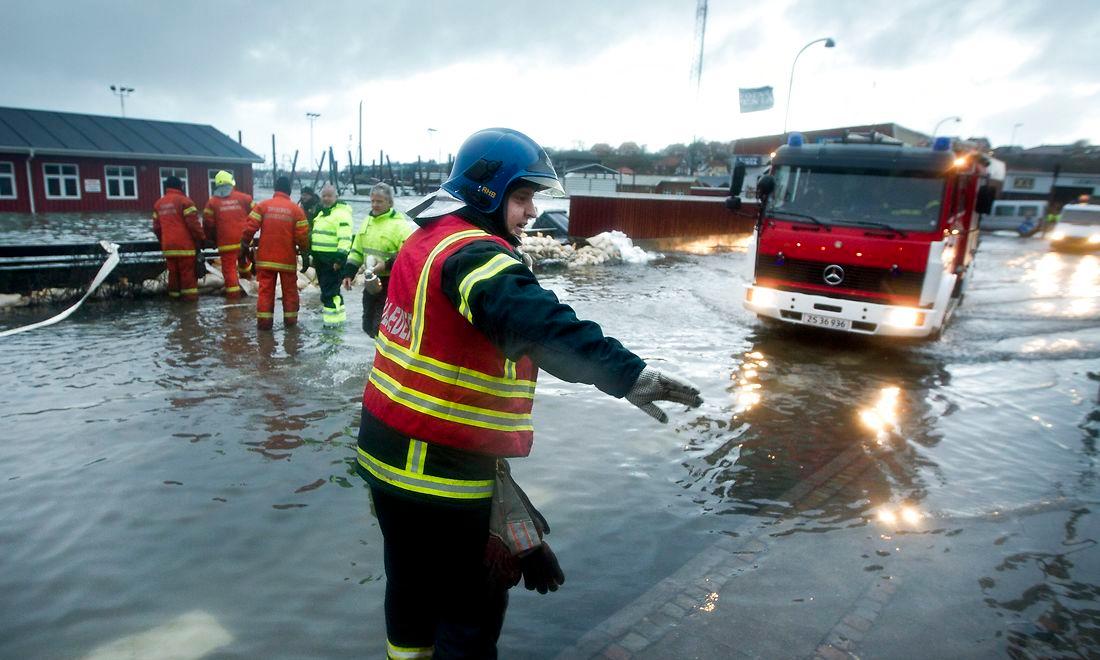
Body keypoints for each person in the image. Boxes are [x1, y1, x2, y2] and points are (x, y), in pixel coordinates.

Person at [354, 128, 703, 659]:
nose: (531, 212)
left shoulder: (428, 240)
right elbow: (539, 325)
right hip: (437, 468)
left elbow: (390, 325)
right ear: (488, 194)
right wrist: (628, 376)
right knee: (472, 611)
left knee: (409, 592)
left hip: (387, 455)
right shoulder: (475, 256)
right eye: (522, 198)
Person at [342, 182, 414, 336]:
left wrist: (386, 265)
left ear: (390, 202)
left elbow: (407, 256)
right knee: (367, 325)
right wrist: (349, 273)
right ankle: (377, 352)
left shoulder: (400, 225)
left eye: (379, 201)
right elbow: (356, 250)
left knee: (380, 325)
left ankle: (382, 357)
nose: (375, 205)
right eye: (373, 201)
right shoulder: (367, 222)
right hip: (370, 281)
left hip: (390, 283)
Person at [241, 176, 310, 330]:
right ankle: (290, 327)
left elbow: (250, 227)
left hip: (265, 259)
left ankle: (264, 327)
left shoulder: (263, 206)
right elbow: (303, 236)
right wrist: (305, 252)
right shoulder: (296, 210)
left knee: (265, 292)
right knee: (290, 292)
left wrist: (244, 244)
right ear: (289, 190)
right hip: (287, 260)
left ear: (275, 188)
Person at [202, 170, 254, 299]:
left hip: (226, 244)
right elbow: (256, 216)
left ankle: (233, 301)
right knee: (244, 262)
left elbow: (208, 224)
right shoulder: (245, 198)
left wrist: (211, 239)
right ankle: (247, 285)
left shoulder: (212, 202)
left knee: (229, 270)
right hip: (245, 241)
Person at [152, 175, 205, 301]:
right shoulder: (185, 202)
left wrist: (164, 241)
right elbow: (194, 225)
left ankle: (174, 303)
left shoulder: (158, 204)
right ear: (181, 186)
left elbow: (156, 228)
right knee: (188, 275)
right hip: (185, 247)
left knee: (173, 275)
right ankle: (190, 307)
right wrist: (201, 239)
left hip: (168, 247)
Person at [310, 184, 354, 325]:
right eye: (324, 196)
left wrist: (340, 259)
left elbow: (345, 239)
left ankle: (331, 325)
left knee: (330, 293)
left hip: (332, 261)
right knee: (329, 291)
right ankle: (338, 319)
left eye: (329, 195)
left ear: (336, 196)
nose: (326, 198)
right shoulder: (322, 213)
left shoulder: (341, 214)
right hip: (321, 260)